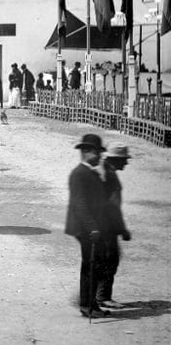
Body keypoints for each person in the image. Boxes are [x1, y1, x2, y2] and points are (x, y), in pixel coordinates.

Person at [65, 133, 110, 319]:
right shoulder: (79, 174)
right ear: (85, 152)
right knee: (91, 266)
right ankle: (87, 306)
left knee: (95, 265)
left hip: (90, 227)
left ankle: (89, 303)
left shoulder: (90, 173)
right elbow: (80, 204)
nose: (99, 156)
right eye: (96, 152)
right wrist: (92, 227)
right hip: (84, 228)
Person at [96, 141, 132, 310]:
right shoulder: (107, 175)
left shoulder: (104, 170)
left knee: (104, 259)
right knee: (110, 260)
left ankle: (96, 295)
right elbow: (112, 207)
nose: (126, 162)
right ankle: (102, 297)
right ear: (115, 159)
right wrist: (122, 229)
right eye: (124, 159)